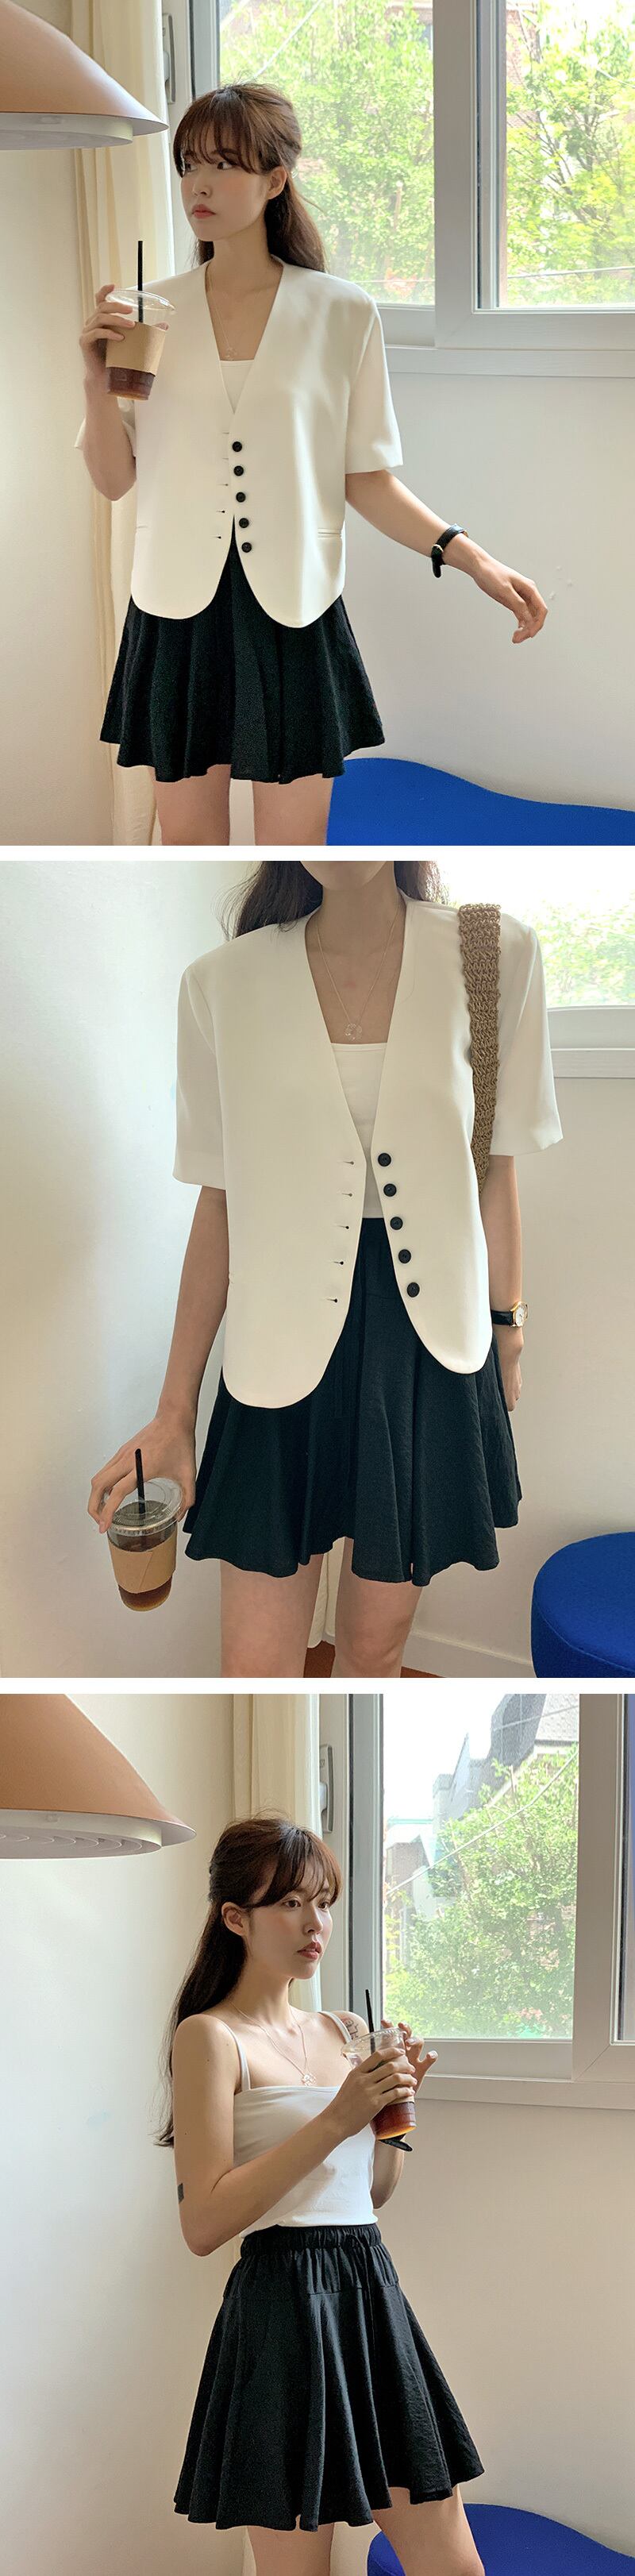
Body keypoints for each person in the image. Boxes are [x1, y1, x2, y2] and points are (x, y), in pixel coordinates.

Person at [88, 860, 563, 1680]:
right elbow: (220, 1202)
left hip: (426, 1351)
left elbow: (494, 1169)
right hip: (278, 1338)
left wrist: (507, 1331)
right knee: (255, 1664)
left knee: (374, 1648)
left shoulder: (492, 954)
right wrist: (174, 1412)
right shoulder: (221, 984)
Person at [76, 80, 548, 850]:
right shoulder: (147, 311)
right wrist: (93, 382)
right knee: (188, 856)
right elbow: (113, 479)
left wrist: (471, 559)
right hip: (174, 607)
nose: (199, 185)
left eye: (224, 164)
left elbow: (366, 478)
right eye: (188, 164)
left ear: (275, 180)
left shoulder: (342, 312)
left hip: (293, 604)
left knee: (295, 859)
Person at [157, 1811, 487, 2575]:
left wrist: (393, 2116)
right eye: (291, 1903)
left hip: (369, 2290)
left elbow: (369, 2193)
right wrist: (340, 2116)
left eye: (325, 1903)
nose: (316, 1924)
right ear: (235, 1918)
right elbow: (203, 2223)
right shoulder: (210, 2037)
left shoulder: (344, 2030)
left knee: (453, 2564)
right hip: (280, 2305)